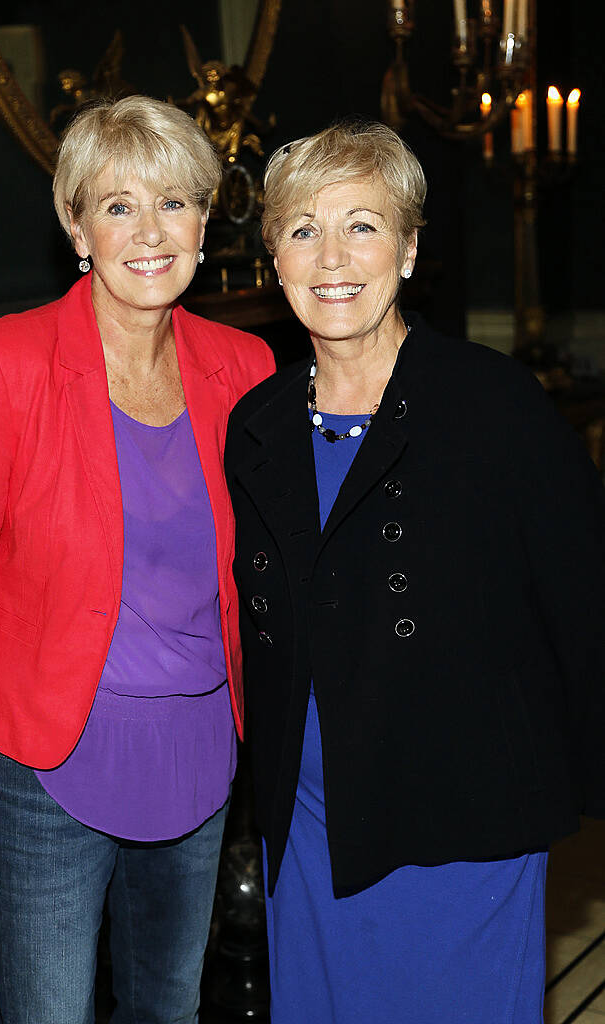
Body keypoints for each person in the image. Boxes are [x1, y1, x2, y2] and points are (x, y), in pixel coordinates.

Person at [224, 121, 605, 1024]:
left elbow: (585, 599)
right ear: (272, 252)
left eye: (362, 223)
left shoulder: (491, 402)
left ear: (409, 247)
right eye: (302, 227)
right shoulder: (260, 422)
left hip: (457, 809)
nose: (331, 256)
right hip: (309, 811)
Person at [0, 95, 275, 1024]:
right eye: (117, 206)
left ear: (205, 218)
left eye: (175, 202)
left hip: (197, 757)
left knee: (168, 1010)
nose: (150, 232)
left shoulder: (245, 368)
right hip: (45, 764)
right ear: (76, 225)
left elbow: (275, 578)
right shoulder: (5, 363)